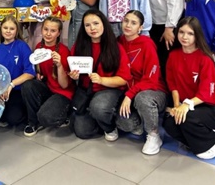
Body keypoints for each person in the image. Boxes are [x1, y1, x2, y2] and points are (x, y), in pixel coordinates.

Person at [163, 17, 215, 160]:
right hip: (189, 105)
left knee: (187, 118)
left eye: (190, 33)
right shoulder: (173, 56)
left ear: (197, 36)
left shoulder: (205, 58)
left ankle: (213, 142)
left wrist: (186, 105)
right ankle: (197, 141)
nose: (184, 37)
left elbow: (207, 92)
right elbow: (172, 84)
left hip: (213, 107)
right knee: (169, 124)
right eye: (181, 32)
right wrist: (177, 105)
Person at [69, 9, 131, 140]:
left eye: (96, 23)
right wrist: (73, 75)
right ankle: (97, 117)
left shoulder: (116, 47)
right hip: (86, 91)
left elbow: (124, 79)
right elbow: (72, 70)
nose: (92, 28)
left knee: (99, 107)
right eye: (87, 25)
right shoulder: (78, 46)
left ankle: (110, 127)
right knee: (82, 132)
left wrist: (102, 80)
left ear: (104, 24)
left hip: (109, 89)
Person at [115, 11, 167, 155]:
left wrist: (129, 95)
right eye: (126, 21)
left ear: (140, 27)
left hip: (153, 90)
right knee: (125, 123)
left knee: (142, 99)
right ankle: (140, 120)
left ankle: (153, 134)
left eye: (133, 23)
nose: (128, 25)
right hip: (129, 92)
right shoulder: (119, 42)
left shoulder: (147, 44)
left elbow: (151, 79)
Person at [21, 17, 74, 136]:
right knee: (28, 85)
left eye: (53, 31)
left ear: (59, 33)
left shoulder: (64, 51)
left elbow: (64, 85)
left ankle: (65, 114)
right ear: (42, 30)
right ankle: (33, 122)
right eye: (46, 29)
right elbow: (41, 71)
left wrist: (59, 65)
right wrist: (39, 74)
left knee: (46, 117)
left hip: (63, 92)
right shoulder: (39, 47)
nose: (48, 34)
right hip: (48, 88)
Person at [0, 15, 35, 128]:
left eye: (12, 28)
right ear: (1, 29)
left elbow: (30, 73)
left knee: (13, 118)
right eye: (5, 28)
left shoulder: (22, 46)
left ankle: (27, 115)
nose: (8, 31)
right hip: (2, 92)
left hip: (18, 90)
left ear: (16, 31)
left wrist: (11, 84)